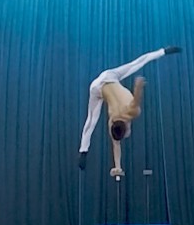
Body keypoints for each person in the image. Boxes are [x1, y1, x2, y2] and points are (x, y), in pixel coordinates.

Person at [78, 46, 182, 177]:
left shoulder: (131, 112)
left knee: (91, 121)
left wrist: (138, 88)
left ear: (127, 127)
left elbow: (136, 101)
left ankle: (83, 151)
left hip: (101, 85)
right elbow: (116, 144)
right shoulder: (113, 121)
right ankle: (163, 51)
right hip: (106, 78)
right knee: (91, 121)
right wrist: (117, 167)